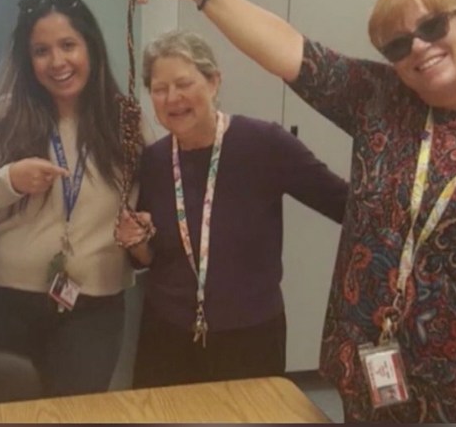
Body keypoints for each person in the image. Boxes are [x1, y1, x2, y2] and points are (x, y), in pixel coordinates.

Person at [123, 0, 456, 423]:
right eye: (398, 45)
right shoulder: (382, 101)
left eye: (432, 27)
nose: (418, 48)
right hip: (374, 386)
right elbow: (289, 49)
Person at [114, 30, 348, 388]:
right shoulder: (154, 161)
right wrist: (134, 241)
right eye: (160, 89)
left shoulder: (264, 144)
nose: (172, 98)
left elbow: (343, 203)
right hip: (167, 334)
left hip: (249, 335)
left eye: (184, 83)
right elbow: (147, 258)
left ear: (213, 82)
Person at [0, 0, 140, 397]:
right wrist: (9, 182)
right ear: (28, 59)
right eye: (41, 50)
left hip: (92, 308)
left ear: (90, 47)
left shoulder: (126, 122)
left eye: (68, 45)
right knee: (2, 416)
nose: (57, 62)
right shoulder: (1, 117)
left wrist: (143, 232)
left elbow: (149, 212)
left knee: (76, 415)